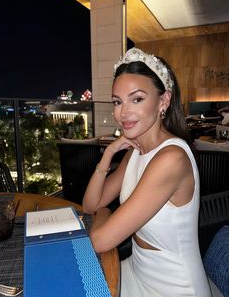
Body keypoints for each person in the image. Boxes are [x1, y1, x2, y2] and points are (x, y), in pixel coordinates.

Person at [82, 47, 211, 297]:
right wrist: (108, 155)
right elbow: (90, 205)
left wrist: (105, 212)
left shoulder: (171, 158)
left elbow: (100, 240)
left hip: (174, 287)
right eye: (118, 101)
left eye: (137, 99)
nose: (123, 112)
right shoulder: (136, 150)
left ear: (164, 100)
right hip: (137, 270)